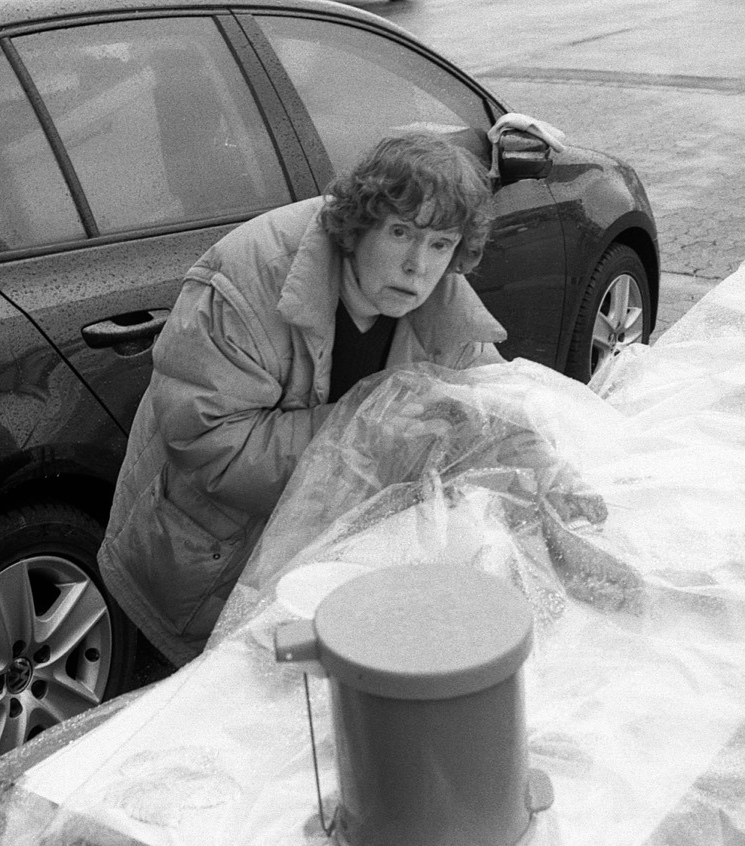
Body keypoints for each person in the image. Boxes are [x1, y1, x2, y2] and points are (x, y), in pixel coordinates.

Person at [98, 131, 507, 666]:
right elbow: (206, 442)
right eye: (401, 232)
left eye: (439, 244)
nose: (418, 265)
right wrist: (363, 433)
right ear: (358, 227)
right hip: (197, 579)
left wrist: (563, 491)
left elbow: (496, 413)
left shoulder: (442, 299)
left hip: (317, 585)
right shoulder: (246, 277)